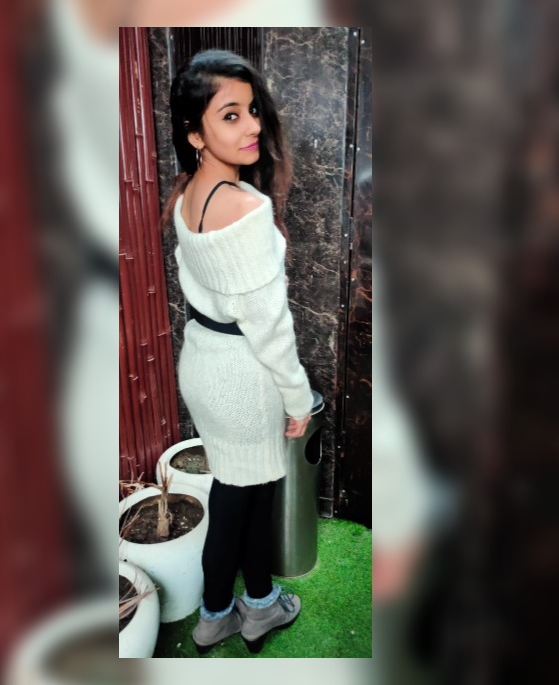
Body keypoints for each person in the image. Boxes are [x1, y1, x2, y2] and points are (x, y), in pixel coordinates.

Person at [162, 49, 314, 655]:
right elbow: (270, 328)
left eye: (252, 110)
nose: (252, 125)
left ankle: (250, 605)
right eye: (230, 115)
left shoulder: (187, 195)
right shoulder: (248, 210)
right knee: (240, 501)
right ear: (194, 132)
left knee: (239, 493)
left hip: (203, 362)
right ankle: (223, 612)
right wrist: (298, 398)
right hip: (243, 376)